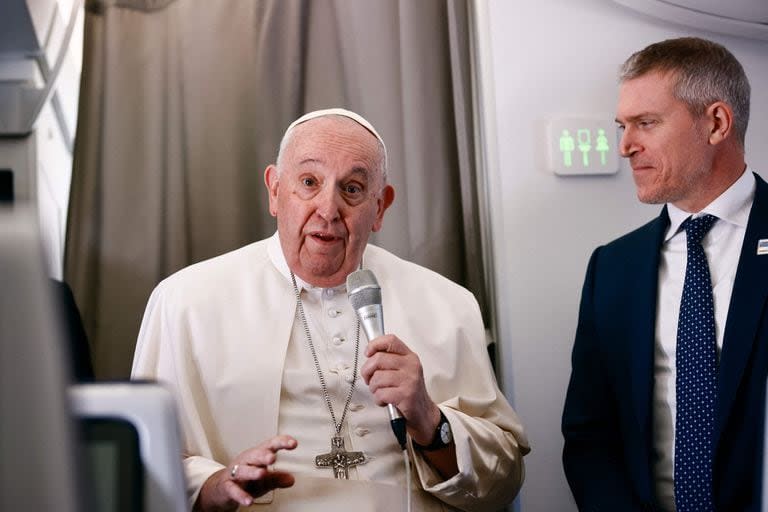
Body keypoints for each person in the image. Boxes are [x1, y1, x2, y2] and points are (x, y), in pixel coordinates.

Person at [132, 108, 529, 511]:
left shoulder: (448, 303)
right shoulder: (185, 301)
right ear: (274, 190)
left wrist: (430, 421)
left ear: (380, 207)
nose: (327, 209)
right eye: (309, 182)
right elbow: (141, 462)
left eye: (352, 189)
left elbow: (504, 480)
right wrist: (215, 484)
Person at [562, 37, 768, 512]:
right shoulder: (612, 269)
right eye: (622, 126)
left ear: (716, 123)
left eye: (646, 124)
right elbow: (590, 431)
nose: (625, 146)